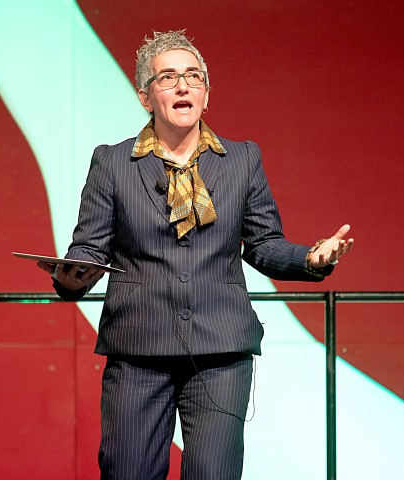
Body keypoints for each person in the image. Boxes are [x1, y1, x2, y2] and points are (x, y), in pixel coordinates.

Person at [38, 30, 353, 480]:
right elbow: (89, 247)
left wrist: (311, 259)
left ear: (206, 93)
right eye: (168, 77)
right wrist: (72, 276)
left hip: (220, 350)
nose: (183, 85)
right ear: (146, 97)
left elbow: (263, 244)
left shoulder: (242, 160)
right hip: (139, 348)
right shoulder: (112, 163)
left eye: (193, 76)